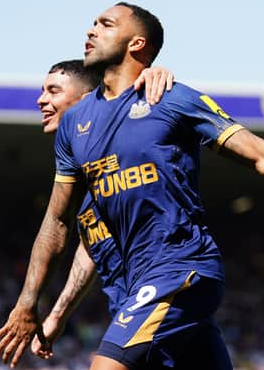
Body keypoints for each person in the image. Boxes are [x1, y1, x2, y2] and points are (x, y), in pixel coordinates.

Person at [0, 2, 264, 370]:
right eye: (94, 23)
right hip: (136, 288)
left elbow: (259, 154)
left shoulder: (170, 99)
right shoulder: (75, 126)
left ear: (137, 43)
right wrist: (32, 304)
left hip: (179, 271)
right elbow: (60, 222)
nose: (91, 29)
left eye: (106, 24)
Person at [29, 59, 174, 358]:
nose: (41, 99)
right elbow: (91, 243)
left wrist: (153, 74)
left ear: (86, 100)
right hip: (126, 296)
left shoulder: (123, 149)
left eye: (53, 91)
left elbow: (143, 106)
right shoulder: (80, 168)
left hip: (163, 284)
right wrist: (58, 314)